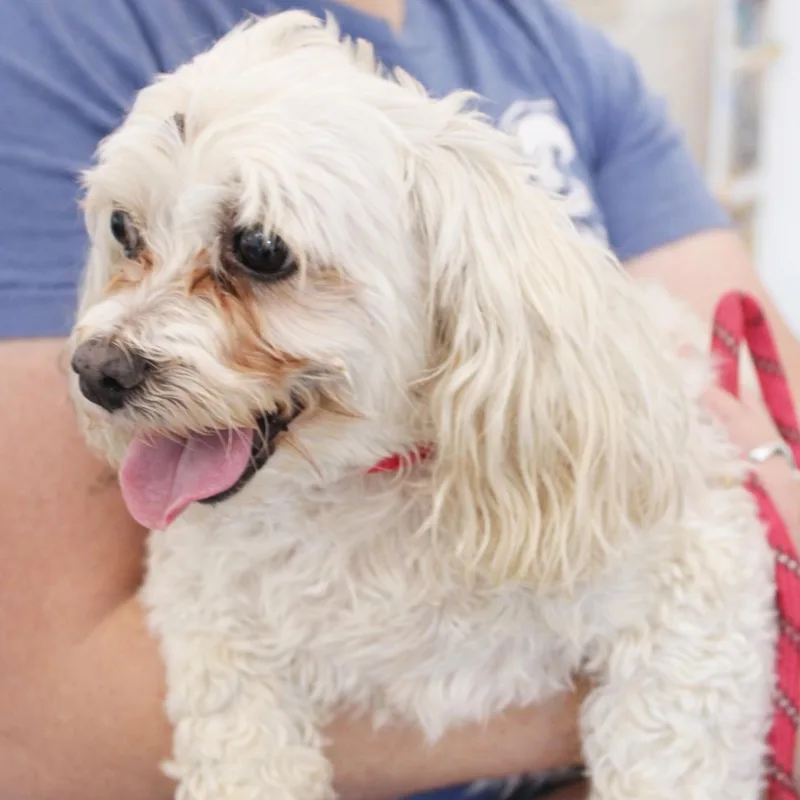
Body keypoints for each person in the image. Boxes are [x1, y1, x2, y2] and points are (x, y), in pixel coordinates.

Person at [0, 1, 798, 799]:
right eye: (130, 238)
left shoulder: (555, 49)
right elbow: (43, 732)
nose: (112, 344)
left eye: (260, 254)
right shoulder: (63, 34)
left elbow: (754, 427)